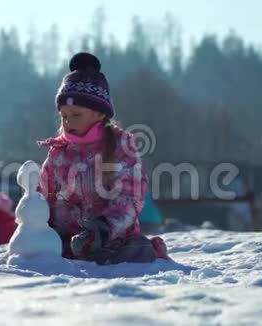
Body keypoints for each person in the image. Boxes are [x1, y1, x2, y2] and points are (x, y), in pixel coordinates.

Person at [37, 52, 170, 264]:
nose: (69, 121)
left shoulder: (121, 148)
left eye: (77, 114)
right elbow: (44, 193)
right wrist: (35, 223)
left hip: (110, 236)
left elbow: (129, 198)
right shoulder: (58, 152)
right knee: (43, 253)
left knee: (129, 250)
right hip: (66, 239)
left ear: (99, 113)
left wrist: (103, 228)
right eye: (64, 116)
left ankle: (140, 252)